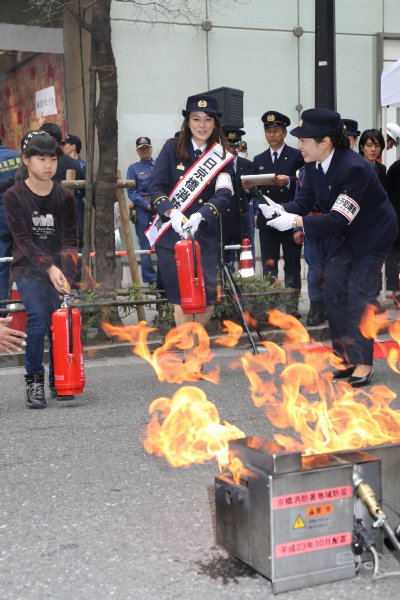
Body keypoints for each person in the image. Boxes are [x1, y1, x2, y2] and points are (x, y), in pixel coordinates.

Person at [261, 108, 398, 387]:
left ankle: (364, 363)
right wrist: (281, 209)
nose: (299, 144)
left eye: (304, 139)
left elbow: (337, 218)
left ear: (325, 141)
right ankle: (345, 357)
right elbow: (304, 202)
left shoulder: (355, 168)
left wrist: (296, 222)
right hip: (343, 234)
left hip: (372, 235)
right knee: (332, 288)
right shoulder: (311, 165)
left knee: (359, 293)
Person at [3, 130, 79, 408]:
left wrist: (67, 276)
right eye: (41, 158)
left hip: (59, 271)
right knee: (37, 319)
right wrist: (49, 267)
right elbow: (22, 239)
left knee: (59, 323)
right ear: (26, 159)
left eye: (53, 159)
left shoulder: (64, 197)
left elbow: (71, 241)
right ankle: (34, 381)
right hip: (28, 269)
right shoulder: (13, 196)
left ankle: (60, 380)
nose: (48, 165)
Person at [148, 93, 234, 329]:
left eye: (208, 119)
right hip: (173, 236)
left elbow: (224, 193)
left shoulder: (222, 155)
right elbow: (155, 187)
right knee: (183, 299)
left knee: (207, 298)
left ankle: (195, 346)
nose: (202, 125)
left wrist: (201, 215)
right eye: (196, 119)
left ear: (215, 123)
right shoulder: (171, 148)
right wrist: (171, 212)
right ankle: (191, 356)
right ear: (187, 122)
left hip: (205, 234)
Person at [244, 110, 304, 314]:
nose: (272, 135)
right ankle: (270, 309)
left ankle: (292, 307)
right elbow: (254, 190)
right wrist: (249, 190)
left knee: (292, 263)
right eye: (268, 131)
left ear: (285, 133)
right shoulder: (259, 158)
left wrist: (288, 181)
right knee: (269, 265)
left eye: (276, 130)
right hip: (267, 220)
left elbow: (305, 182)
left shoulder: (297, 156)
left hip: (289, 218)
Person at [127, 136, 157, 285]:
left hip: (160, 208)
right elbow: (132, 193)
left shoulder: (159, 165)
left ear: (151, 148)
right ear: (138, 151)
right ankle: (150, 278)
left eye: (147, 148)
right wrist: (146, 205)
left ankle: (164, 275)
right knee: (145, 244)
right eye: (142, 149)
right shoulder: (133, 169)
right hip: (143, 210)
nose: (145, 151)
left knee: (163, 241)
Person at [221, 128, 253, 270]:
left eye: (235, 145)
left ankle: (245, 286)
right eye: (229, 145)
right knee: (224, 258)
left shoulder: (247, 165)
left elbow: (253, 192)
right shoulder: (217, 164)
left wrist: (248, 188)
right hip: (224, 219)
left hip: (242, 218)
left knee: (245, 255)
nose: (232, 149)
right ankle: (226, 286)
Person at [0, 141, 22, 301]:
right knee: (27, 259)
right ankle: (28, 303)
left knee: (2, 262)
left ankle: (2, 305)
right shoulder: (19, 156)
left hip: (2, 215)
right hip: (25, 213)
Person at [384, 157, 400, 305]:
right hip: (395, 218)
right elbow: (385, 192)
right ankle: (396, 291)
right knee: (393, 255)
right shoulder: (396, 167)